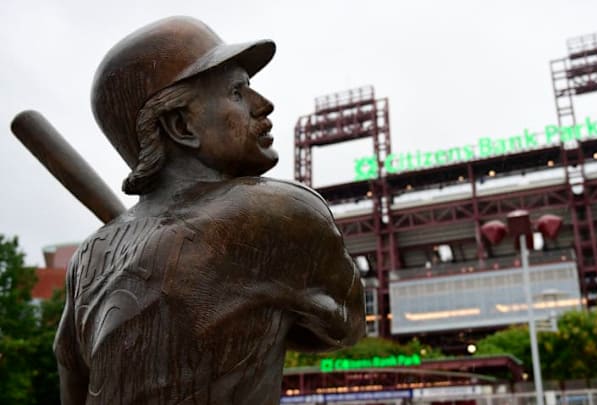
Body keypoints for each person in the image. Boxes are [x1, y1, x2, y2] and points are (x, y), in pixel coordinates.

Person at [53, 16, 365, 405]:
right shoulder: (278, 211)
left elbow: (73, 385)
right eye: (237, 92)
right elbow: (345, 328)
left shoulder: (90, 255)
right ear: (181, 125)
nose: (263, 104)